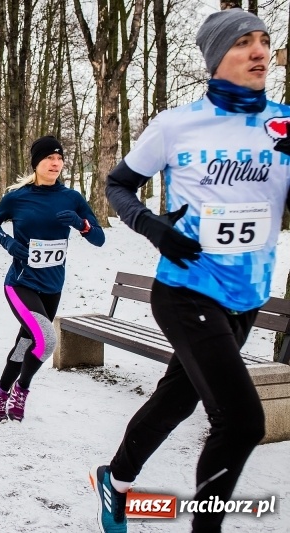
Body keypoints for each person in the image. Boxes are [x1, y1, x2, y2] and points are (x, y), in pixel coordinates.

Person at [93, 9, 290, 533]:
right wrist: (154, 228)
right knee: (242, 422)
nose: (258, 51)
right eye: (243, 42)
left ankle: (114, 480)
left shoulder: (284, 123)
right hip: (186, 291)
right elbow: (117, 185)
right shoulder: (176, 124)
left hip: (246, 298)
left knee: (175, 400)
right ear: (214, 58)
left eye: (263, 41)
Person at [0, 136, 104, 424]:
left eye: (59, 159)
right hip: (21, 283)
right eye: (49, 158)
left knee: (28, 342)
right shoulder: (18, 197)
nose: (55, 163)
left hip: (53, 285)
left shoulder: (72, 198)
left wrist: (82, 225)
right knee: (47, 339)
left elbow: (99, 238)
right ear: (36, 163)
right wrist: (8, 243)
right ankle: (21, 391)